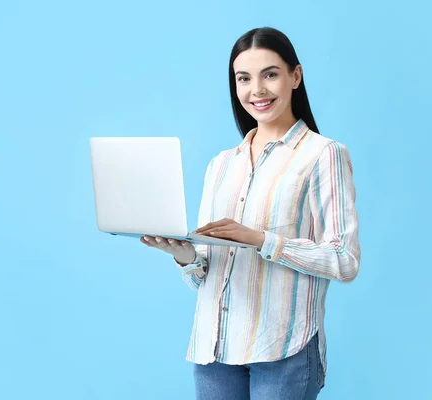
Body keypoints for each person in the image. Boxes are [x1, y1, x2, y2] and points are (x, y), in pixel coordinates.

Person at [141, 26, 361, 400]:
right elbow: (203, 279)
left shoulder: (323, 155)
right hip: (214, 349)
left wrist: (261, 239)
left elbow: (344, 260)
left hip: (283, 347)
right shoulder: (222, 165)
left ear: (295, 76)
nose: (256, 90)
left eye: (270, 74)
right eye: (244, 78)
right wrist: (185, 256)